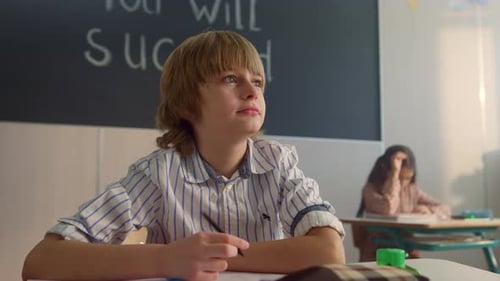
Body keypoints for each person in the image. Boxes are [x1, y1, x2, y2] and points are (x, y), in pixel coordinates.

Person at [22, 30, 346, 281]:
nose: (252, 91)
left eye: (258, 81)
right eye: (230, 78)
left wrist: (207, 256)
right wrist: (166, 258)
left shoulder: (279, 163)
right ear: (187, 101)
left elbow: (329, 250)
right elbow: (42, 260)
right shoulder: (158, 173)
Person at [354, 144, 451, 262]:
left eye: (408, 178)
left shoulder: (412, 189)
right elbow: (388, 209)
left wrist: (428, 210)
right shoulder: (370, 189)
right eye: (401, 178)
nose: (404, 184)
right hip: (379, 249)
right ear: (385, 170)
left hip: (407, 247)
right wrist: (394, 175)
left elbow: (445, 208)